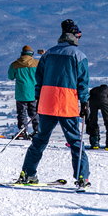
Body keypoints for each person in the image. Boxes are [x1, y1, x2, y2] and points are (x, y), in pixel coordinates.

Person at [15, 19, 91, 188]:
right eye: (79, 35)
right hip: (67, 103)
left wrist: (38, 98)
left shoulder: (48, 54)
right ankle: (81, 177)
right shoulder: (79, 56)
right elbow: (83, 83)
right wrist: (85, 103)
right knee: (75, 142)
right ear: (74, 36)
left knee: (39, 140)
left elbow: (39, 79)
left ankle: (27, 173)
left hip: (47, 103)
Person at [7, 45, 39, 138]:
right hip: (34, 92)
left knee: (21, 113)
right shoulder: (37, 63)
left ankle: (22, 131)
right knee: (34, 112)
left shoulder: (15, 64)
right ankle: (37, 131)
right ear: (31, 54)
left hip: (21, 93)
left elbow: (10, 77)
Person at [86, 84, 108, 149]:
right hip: (105, 101)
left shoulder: (94, 89)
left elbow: (88, 97)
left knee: (93, 121)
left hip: (92, 101)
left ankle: (95, 143)